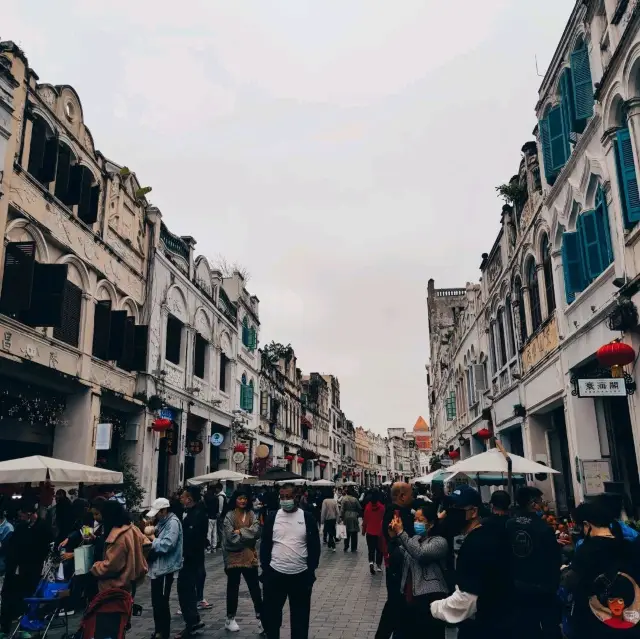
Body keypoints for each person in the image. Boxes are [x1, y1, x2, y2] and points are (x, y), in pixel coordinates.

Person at [430, 485, 511, 639]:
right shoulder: (486, 534)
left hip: (485, 626)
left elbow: (468, 599)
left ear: (473, 512)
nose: (450, 513)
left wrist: (434, 608)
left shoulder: (475, 544)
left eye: (456, 508)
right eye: (449, 508)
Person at [561, 497, 640, 636]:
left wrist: (564, 571)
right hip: (628, 621)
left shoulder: (586, 550)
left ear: (587, 525)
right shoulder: (629, 545)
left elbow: (571, 582)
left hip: (595, 622)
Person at [260, 483, 321, 639]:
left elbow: (314, 546)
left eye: (288, 497)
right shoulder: (273, 517)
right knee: (271, 618)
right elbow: (265, 544)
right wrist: (266, 570)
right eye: (282, 497)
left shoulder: (307, 517)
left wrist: (310, 571)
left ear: (296, 497)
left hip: (300, 576)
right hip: (275, 574)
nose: (285, 500)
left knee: (300, 620)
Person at [505, 486, 562, 639]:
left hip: (516, 583)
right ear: (533, 504)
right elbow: (554, 558)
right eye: (540, 501)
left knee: (524, 625)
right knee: (548, 625)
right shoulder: (543, 528)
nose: (542, 505)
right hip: (541, 585)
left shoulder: (509, 525)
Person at [388, 502, 449, 639]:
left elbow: (420, 554)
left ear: (431, 524)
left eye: (420, 520)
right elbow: (398, 557)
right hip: (409, 598)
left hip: (430, 598)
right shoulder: (415, 539)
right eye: (415, 519)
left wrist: (401, 533)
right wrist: (393, 537)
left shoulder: (440, 542)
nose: (416, 523)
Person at [0, 501, 52, 634]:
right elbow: (12, 545)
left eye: (22, 515)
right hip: (14, 568)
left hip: (30, 569)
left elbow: (42, 549)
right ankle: (5, 626)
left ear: (29, 514)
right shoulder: (21, 527)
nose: (21, 518)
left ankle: (24, 627)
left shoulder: (43, 527)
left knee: (26, 596)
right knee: (8, 596)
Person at [375, 482, 416, 639]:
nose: (412, 497)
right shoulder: (396, 512)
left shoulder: (393, 510)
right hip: (397, 565)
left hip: (396, 563)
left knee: (396, 604)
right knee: (395, 603)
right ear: (402, 496)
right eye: (411, 494)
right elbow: (398, 537)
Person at [222, 490, 263, 634]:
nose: (243, 501)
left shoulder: (252, 514)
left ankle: (261, 617)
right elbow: (230, 536)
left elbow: (257, 531)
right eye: (240, 498)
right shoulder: (229, 515)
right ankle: (230, 618)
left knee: (255, 588)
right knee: (233, 588)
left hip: (249, 557)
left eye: (245, 498)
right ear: (235, 499)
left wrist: (240, 532)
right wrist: (247, 536)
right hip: (233, 557)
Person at [90, 500, 149, 593]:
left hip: (117, 585)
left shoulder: (118, 537)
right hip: (130, 581)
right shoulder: (131, 527)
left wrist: (94, 567)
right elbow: (146, 544)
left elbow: (111, 566)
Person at [146, 497, 183, 639]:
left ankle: (163, 632)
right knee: (156, 601)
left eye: (157, 513)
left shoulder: (173, 523)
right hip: (158, 567)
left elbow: (167, 544)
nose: (155, 516)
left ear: (164, 510)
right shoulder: (162, 522)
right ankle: (158, 630)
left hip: (165, 568)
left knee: (162, 601)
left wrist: (152, 539)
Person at [176, 486, 208, 638]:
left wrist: (183, 554)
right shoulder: (193, 512)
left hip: (190, 558)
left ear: (189, 499)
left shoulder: (197, 514)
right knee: (188, 590)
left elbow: (192, 537)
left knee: (185, 590)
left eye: (183, 497)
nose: (181, 499)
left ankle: (191, 622)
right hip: (192, 557)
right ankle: (193, 620)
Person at [362, 490, 385, 574]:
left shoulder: (368, 507)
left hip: (370, 531)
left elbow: (365, 520)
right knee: (379, 549)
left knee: (371, 549)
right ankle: (379, 565)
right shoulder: (382, 508)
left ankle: (371, 563)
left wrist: (363, 531)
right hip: (379, 532)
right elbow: (384, 520)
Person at [204, 483, 226, 553]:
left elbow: (206, 507)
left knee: (209, 532)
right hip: (215, 517)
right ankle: (214, 546)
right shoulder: (216, 498)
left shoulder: (207, 497)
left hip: (209, 516)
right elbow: (218, 508)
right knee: (214, 532)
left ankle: (209, 546)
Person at [340, 488, 362, 552]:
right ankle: (354, 548)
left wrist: (341, 516)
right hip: (354, 515)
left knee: (346, 532)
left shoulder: (344, 499)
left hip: (346, 516)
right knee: (354, 533)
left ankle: (346, 546)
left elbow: (342, 509)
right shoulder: (355, 499)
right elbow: (359, 507)